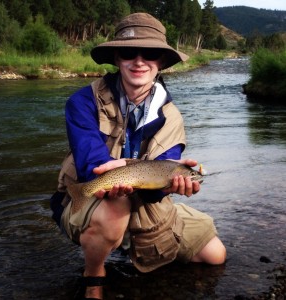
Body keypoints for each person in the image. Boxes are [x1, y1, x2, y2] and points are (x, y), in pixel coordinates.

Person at [50, 12, 226, 300]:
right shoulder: (82, 102)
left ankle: (139, 243)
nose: (139, 61)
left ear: (161, 63)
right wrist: (112, 171)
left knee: (215, 255)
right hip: (92, 196)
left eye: (151, 53)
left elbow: (156, 188)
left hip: (144, 199)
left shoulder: (171, 117)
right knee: (115, 208)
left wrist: (171, 185)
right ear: (117, 58)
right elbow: (89, 165)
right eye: (130, 52)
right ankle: (94, 274)